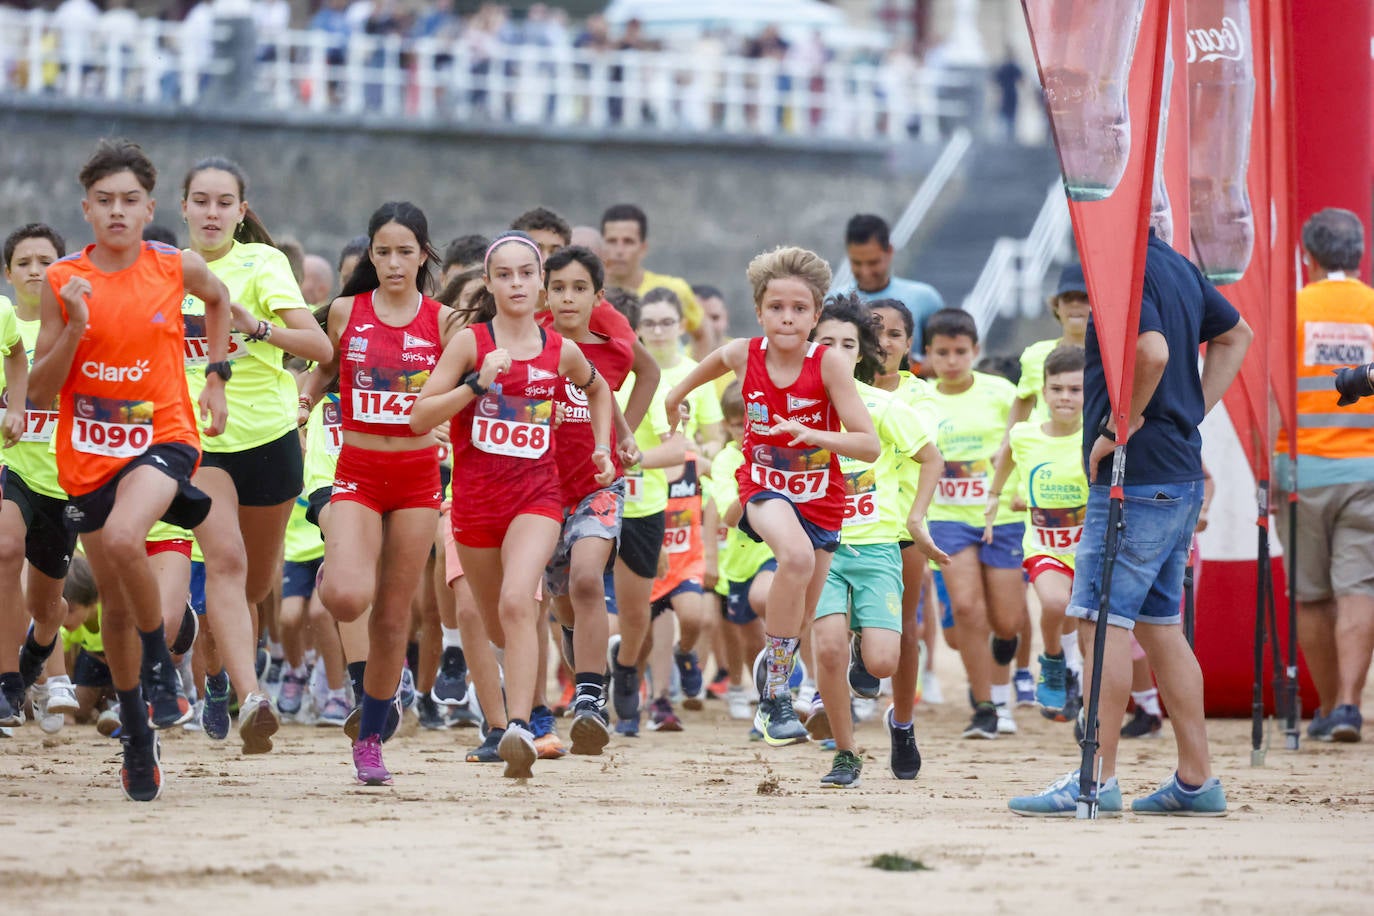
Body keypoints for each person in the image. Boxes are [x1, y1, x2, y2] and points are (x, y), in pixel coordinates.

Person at [1009, 230, 1251, 817]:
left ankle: (1097, 778)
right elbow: (1235, 334)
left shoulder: (1122, 262)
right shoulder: (1177, 263)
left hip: (1133, 476)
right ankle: (1196, 780)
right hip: (1177, 471)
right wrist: (1187, 412)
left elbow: (1153, 352)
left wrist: (1122, 426)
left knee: (1100, 625)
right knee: (1160, 627)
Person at [29, 138, 236, 801]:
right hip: (89, 454)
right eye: (104, 201)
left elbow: (221, 299)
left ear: (149, 208)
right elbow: (37, 390)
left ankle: (158, 669)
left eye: (129, 201)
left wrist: (217, 380)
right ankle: (139, 740)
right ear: (86, 209)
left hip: (164, 436)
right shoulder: (63, 281)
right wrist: (75, 327)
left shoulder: (175, 266)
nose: (117, 212)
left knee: (123, 541)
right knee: (114, 607)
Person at [411, 231, 615, 779]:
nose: (517, 284)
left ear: (540, 279)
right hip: (476, 505)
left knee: (518, 600)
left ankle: (521, 727)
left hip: (537, 498)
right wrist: (477, 385)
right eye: (505, 275)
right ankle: (513, 708)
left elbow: (599, 389)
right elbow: (420, 416)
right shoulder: (470, 344)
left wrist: (601, 445)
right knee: (497, 622)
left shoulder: (559, 349)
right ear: (490, 281)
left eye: (527, 273)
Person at [665, 246, 880, 747]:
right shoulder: (745, 353)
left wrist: (815, 436)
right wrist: (677, 398)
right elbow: (707, 366)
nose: (787, 317)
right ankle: (777, 696)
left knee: (802, 609)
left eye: (799, 309)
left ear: (815, 315)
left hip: (821, 496)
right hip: (763, 484)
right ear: (759, 311)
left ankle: (774, 684)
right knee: (796, 556)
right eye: (776, 307)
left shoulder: (828, 365)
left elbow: (867, 445)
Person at [178, 157, 333, 745]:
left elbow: (319, 347)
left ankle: (217, 674)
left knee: (252, 585)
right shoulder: (168, 271)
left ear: (241, 211)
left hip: (269, 440)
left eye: (224, 202)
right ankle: (252, 698)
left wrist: (257, 326)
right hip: (201, 442)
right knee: (225, 563)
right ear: (184, 208)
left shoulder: (263, 265)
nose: (212, 212)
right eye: (201, 200)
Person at [300, 201, 456, 785]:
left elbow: (465, 384)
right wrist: (305, 397)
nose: (394, 263)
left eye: (405, 252)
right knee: (344, 598)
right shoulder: (344, 312)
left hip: (417, 480)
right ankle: (337, 570)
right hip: (358, 471)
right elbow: (322, 365)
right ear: (371, 254)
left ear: (423, 255)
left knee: (393, 620)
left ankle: (370, 738)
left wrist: (448, 418)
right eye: (383, 252)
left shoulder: (443, 322)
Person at [808, 294, 945, 787]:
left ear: (909, 344)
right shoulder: (832, 386)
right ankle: (834, 722)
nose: (883, 343)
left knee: (900, 635)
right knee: (829, 640)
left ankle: (901, 723)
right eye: (876, 333)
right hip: (837, 529)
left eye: (894, 334)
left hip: (901, 527)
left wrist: (916, 518)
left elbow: (922, 453)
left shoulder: (915, 398)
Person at [1277, 208, 1374, 743]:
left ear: (1307, 258)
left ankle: (1329, 708)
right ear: (1358, 255)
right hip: (1370, 470)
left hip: (1302, 471)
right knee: (1359, 586)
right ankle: (1350, 706)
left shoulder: (1291, 308)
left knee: (1312, 594)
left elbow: (1273, 397)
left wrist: (1266, 471)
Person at [541, 244, 635, 755]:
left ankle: (590, 701)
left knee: (585, 578)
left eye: (580, 289)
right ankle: (583, 660)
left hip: (598, 488)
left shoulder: (614, 347)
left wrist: (624, 436)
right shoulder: (532, 343)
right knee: (564, 604)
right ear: (544, 294)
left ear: (598, 296)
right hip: (538, 491)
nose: (568, 298)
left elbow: (619, 389)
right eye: (558, 288)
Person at [922, 308, 1027, 739]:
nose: (951, 360)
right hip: (946, 517)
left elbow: (1024, 441)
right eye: (942, 352)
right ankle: (985, 706)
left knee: (1007, 621)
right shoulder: (921, 398)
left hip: (999, 516)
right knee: (965, 608)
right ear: (926, 354)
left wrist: (1018, 490)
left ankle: (1004, 658)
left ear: (975, 351)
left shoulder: (1001, 393)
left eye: (960, 352)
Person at [985, 345, 1087, 720]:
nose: (1065, 397)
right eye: (1057, 389)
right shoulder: (1025, 433)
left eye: (1075, 390)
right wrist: (995, 495)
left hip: (1087, 548)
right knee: (1056, 604)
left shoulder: (1095, 437)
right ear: (1043, 392)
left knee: (1083, 619)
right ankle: (1053, 659)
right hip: (1043, 546)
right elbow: (1008, 453)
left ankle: (1084, 701)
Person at [0, 224, 75, 729]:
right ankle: (8, 685)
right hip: (14, 472)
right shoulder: (5, 320)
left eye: (45, 261)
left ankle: (42, 666)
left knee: (47, 605)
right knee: (5, 551)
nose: (34, 271)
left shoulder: (79, 331)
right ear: (8, 273)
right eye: (23, 262)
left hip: (66, 483)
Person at [835, 214, 944, 361]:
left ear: (889, 251)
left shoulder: (925, 298)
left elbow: (947, 357)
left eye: (873, 263)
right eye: (857, 263)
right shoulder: (834, 301)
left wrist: (912, 367)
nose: (865, 271)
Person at [600, 204, 707, 352]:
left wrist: (694, 372)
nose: (619, 250)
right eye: (612, 241)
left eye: (628, 242)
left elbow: (702, 335)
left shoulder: (674, 289)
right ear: (601, 245)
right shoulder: (588, 294)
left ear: (643, 248)